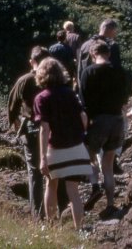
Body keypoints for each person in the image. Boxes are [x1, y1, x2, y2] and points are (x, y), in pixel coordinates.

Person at [34, 58, 90, 230]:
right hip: (75, 147)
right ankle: (79, 229)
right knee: (74, 191)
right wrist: (82, 134)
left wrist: (42, 157)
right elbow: (84, 117)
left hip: (55, 148)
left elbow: (44, 129)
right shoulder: (70, 93)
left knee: (51, 185)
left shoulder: (41, 98)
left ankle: (51, 225)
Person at [79, 41, 129, 219]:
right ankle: (110, 204)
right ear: (108, 54)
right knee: (108, 165)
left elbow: (83, 102)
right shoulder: (120, 72)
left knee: (89, 155)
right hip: (117, 120)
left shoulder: (88, 72)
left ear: (93, 54)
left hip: (97, 121)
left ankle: (94, 186)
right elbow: (125, 98)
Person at [7, 46, 50, 218]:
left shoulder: (25, 80)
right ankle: (55, 211)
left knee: (34, 172)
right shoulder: (55, 78)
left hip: (32, 128)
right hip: (54, 129)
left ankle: (37, 214)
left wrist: (14, 121)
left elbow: (12, 102)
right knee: (54, 171)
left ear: (32, 61)